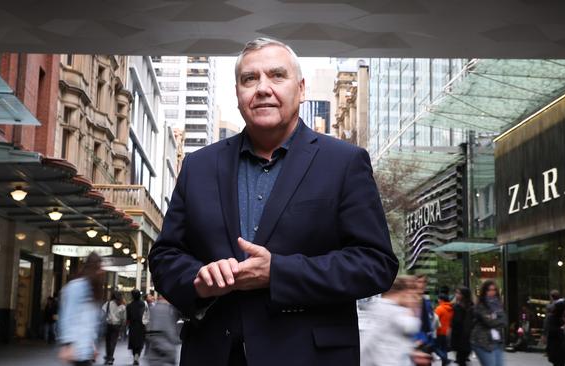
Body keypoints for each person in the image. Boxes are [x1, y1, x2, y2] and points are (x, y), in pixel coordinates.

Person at [148, 37, 398, 366]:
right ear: (238, 93)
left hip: (308, 357)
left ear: (302, 88)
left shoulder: (344, 163)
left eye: (277, 75)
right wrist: (198, 280)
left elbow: (375, 264)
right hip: (214, 354)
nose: (263, 88)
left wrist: (279, 272)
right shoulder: (199, 166)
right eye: (249, 79)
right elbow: (165, 257)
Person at [360, 276, 422, 366]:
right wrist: (411, 308)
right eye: (411, 294)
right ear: (404, 292)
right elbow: (412, 326)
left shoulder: (377, 306)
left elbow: (367, 342)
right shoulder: (397, 312)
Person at [57, 252, 104, 366]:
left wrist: (92, 344)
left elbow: (90, 322)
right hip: (75, 347)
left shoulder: (93, 289)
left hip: (85, 348)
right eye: (99, 266)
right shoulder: (76, 287)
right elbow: (67, 315)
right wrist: (67, 344)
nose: (102, 270)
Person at [470, 280, 505, 366]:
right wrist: (498, 319)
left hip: (496, 341)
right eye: (489, 290)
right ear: (484, 292)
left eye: (494, 290)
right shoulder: (480, 306)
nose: (492, 292)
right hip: (482, 342)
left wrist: (497, 319)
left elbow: (504, 321)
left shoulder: (498, 305)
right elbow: (490, 322)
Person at [144, 294, 181, 366]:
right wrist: (176, 340)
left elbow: (149, 327)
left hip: (154, 348)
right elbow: (170, 329)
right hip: (167, 348)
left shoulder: (153, 308)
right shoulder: (171, 309)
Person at [451, 287, 473, 366]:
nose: (456, 295)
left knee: (462, 357)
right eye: (456, 293)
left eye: (459, 293)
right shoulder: (456, 306)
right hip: (458, 337)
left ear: (464, 295)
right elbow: (454, 322)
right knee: (461, 360)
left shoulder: (471, 306)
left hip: (468, 336)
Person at [102, 291, 126, 365]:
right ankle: (110, 358)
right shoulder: (122, 306)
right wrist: (122, 326)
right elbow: (123, 318)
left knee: (108, 341)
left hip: (108, 324)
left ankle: (108, 357)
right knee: (113, 342)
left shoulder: (108, 303)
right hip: (117, 325)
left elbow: (103, 311)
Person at [126, 289, 147, 366]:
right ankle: (137, 356)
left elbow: (127, 318)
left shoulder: (129, 305)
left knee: (133, 343)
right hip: (141, 326)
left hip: (132, 326)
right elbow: (146, 315)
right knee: (140, 342)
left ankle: (135, 356)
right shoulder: (143, 304)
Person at [434, 287, 454, 365]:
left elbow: (434, 320)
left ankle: (445, 358)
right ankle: (444, 363)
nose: (438, 300)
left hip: (439, 332)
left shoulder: (439, 309)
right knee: (444, 348)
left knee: (434, 347)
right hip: (448, 333)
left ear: (441, 300)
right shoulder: (451, 308)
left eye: (439, 299)